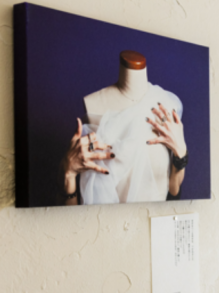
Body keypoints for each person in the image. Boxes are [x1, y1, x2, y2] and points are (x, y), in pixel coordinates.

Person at [59, 51, 188, 205]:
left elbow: (173, 191)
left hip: (154, 218)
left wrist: (181, 153)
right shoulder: (94, 104)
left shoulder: (165, 106)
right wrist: (68, 172)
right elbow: (76, 214)